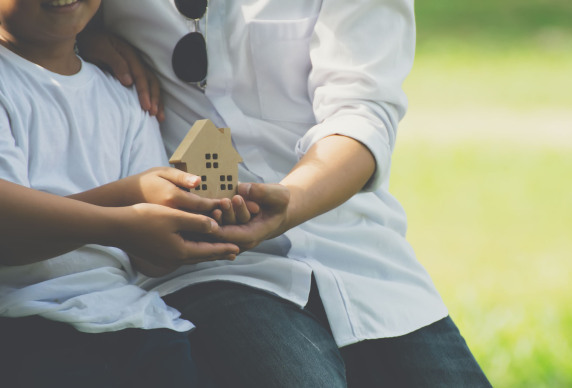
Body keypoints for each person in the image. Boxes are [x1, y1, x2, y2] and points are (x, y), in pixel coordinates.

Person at [80, 0, 493, 386]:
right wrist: (82, 39)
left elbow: (363, 111)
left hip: (362, 258)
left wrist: (290, 201)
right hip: (212, 265)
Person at [0, 0, 250, 385]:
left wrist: (194, 222)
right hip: (28, 327)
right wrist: (127, 207)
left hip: (143, 327)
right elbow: (8, 229)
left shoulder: (125, 96)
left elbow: (149, 261)